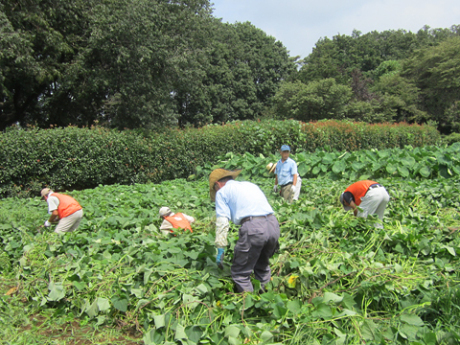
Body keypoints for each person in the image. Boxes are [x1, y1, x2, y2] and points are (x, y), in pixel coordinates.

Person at [209, 168, 280, 293]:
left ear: (217, 184)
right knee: (262, 267)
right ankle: (267, 301)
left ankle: (249, 306)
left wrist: (220, 246)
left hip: (254, 228)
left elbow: (222, 222)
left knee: (240, 274)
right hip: (273, 224)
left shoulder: (222, 192)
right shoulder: (250, 185)